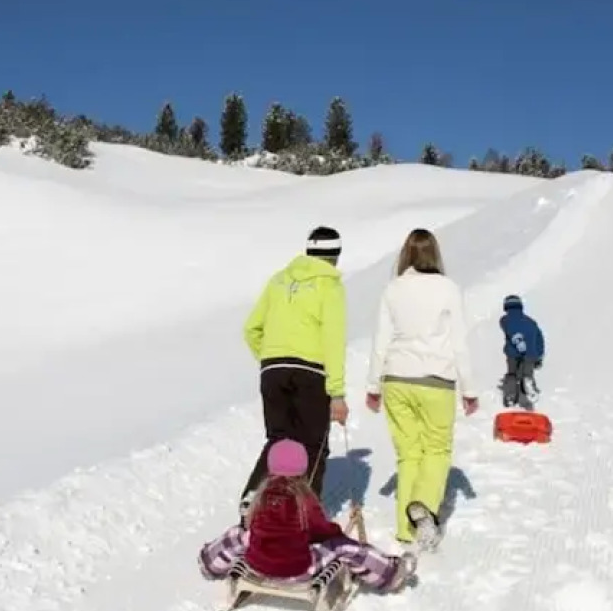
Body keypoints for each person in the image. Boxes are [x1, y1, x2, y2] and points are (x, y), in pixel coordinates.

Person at [364, 228, 478, 550]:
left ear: (406, 255)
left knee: (409, 454)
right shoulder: (448, 288)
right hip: (436, 380)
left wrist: (373, 386)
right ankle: (424, 505)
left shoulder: (393, 289)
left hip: (396, 379)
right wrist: (469, 389)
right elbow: (459, 342)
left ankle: (406, 529)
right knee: (437, 450)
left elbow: (380, 341)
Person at [198, 439, 415, 592]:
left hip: (257, 564)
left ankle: (209, 561)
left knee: (238, 535)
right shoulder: (304, 499)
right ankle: (391, 573)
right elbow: (321, 531)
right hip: (298, 569)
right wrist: (335, 535)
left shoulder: (259, 496)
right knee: (346, 548)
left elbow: (251, 524)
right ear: (302, 469)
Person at [239, 225, 349, 514]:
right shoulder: (330, 286)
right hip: (311, 372)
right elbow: (333, 341)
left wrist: (270, 358)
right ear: (336, 255)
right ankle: (306, 514)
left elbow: (251, 328)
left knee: (279, 440)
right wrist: (337, 393)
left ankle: (254, 495)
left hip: (273, 370)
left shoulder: (278, 280)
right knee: (313, 445)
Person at [499, 294, 545, 409]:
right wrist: (539, 355)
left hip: (513, 353)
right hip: (531, 353)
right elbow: (539, 339)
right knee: (527, 372)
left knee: (512, 374)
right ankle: (528, 385)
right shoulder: (531, 321)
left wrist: (519, 342)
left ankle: (510, 397)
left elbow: (513, 330)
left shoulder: (505, 320)